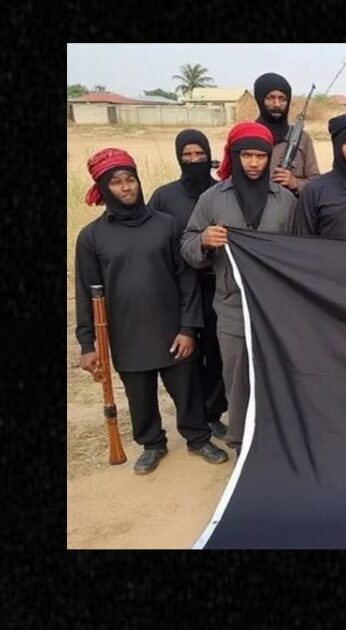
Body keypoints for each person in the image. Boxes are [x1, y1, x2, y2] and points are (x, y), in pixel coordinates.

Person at [75, 148, 228, 474]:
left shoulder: (166, 225)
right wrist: (88, 344)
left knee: (187, 390)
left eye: (130, 179)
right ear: (103, 188)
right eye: (116, 182)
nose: (126, 187)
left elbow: (187, 280)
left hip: (172, 330)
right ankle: (152, 443)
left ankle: (198, 438)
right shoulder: (91, 237)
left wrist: (187, 328)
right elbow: (87, 293)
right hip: (126, 333)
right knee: (139, 396)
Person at [180, 122, 298, 454]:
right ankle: (241, 446)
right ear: (234, 155)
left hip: (277, 310)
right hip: (232, 308)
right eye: (246, 155)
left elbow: (300, 250)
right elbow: (187, 244)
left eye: (261, 156)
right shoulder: (212, 198)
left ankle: (278, 444)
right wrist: (204, 241)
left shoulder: (285, 200)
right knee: (237, 381)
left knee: (279, 377)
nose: (254, 163)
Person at [147, 129, 228, 439]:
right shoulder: (164, 197)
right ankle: (194, 418)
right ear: (178, 158)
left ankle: (214, 412)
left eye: (200, 154)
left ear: (209, 155)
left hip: (216, 285)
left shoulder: (222, 192)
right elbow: (153, 239)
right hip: (180, 290)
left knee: (217, 353)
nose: (194, 161)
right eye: (187, 156)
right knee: (186, 359)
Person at [252, 72, 321, 195]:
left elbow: (316, 182)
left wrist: (296, 183)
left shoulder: (302, 138)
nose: (277, 104)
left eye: (282, 99)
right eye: (270, 98)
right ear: (260, 99)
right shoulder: (247, 135)